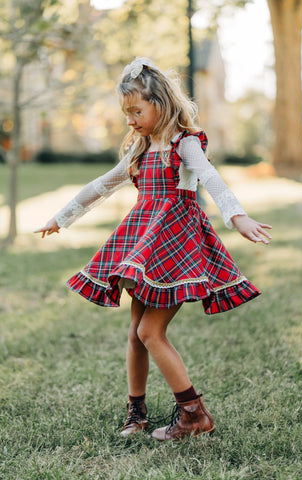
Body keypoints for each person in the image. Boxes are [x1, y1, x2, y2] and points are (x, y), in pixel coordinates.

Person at [35, 57, 272, 441]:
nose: (130, 119)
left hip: (175, 246)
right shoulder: (141, 148)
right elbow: (102, 184)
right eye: (126, 112)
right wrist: (61, 217)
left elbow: (211, 178)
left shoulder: (186, 143)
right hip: (146, 242)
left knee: (150, 332)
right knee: (135, 333)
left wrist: (237, 216)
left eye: (136, 110)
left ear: (160, 102)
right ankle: (137, 412)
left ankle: (194, 415)